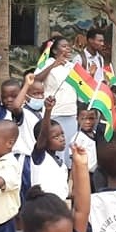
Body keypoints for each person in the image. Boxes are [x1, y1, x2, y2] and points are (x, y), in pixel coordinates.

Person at [35, 36, 79, 168]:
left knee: (69, 147)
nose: (68, 49)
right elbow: (36, 79)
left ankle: (68, 172)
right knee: (55, 146)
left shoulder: (72, 66)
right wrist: (53, 65)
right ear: (54, 50)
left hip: (70, 112)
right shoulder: (47, 62)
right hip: (54, 112)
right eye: (64, 46)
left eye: (69, 46)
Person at [31, 97, 68, 200]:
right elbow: (44, 134)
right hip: (43, 205)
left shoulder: (61, 163)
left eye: (62, 134)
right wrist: (48, 111)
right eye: (56, 137)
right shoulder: (40, 157)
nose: (62, 139)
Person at [8, 72, 46, 156]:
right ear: (26, 96)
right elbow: (15, 107)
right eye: (35, 93)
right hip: (25, 156)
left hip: (37, 157)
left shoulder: (42, 114)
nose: (40, 97)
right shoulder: (23, 113)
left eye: (42, 93)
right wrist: (27, 85)